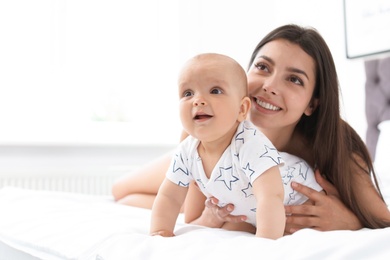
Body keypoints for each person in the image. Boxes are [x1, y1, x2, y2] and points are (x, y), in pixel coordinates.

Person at [113, 24, 390, 234]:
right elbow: (191, 211)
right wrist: (209, 216)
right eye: (262, 67)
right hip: (218, 169)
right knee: (120, 192)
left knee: (130, 200)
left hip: (242, 188)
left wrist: (349, 220)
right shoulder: (210, 128)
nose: (269, 85)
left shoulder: (335, 150)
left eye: (294, 79)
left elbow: (384, 219)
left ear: (312, 103)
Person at [149, 53, 322, 239]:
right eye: (188, 93)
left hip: (297, 201)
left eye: (215, 91)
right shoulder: (187, 151)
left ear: (241, 109)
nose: (197, 100)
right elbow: (169, 197)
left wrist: (265, 243)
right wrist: (160, 231)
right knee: (228, 233)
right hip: (252, 214)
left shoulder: (250, 144)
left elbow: (270, 198)